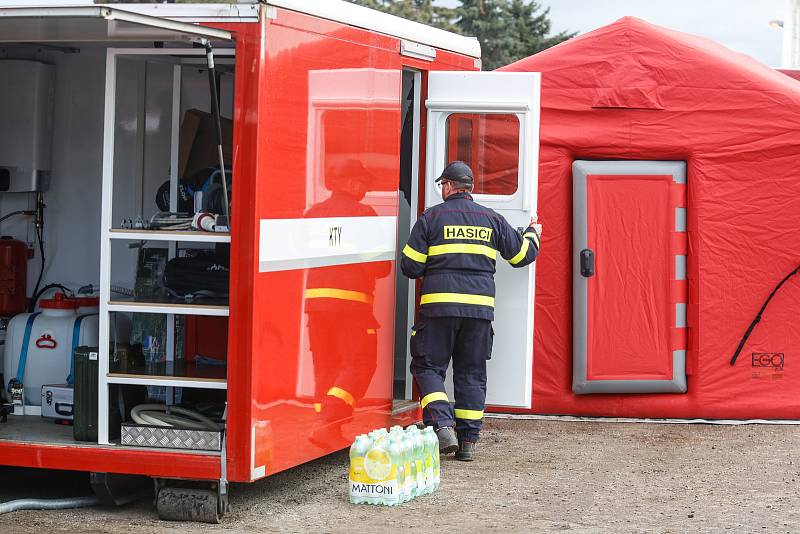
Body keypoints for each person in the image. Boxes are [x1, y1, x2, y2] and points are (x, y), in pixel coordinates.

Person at [401, 161, 541, 461]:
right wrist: (532, 233)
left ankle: (442, 427)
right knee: (471, 373)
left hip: (438, 310)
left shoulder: (431, 219)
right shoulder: (491, 219)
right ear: (470, 188)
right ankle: (468, 444)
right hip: (478, 314)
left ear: (449, 186)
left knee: (428, 367)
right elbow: (521, 255)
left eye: (442, 185)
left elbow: (410, 266)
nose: (442, 189)